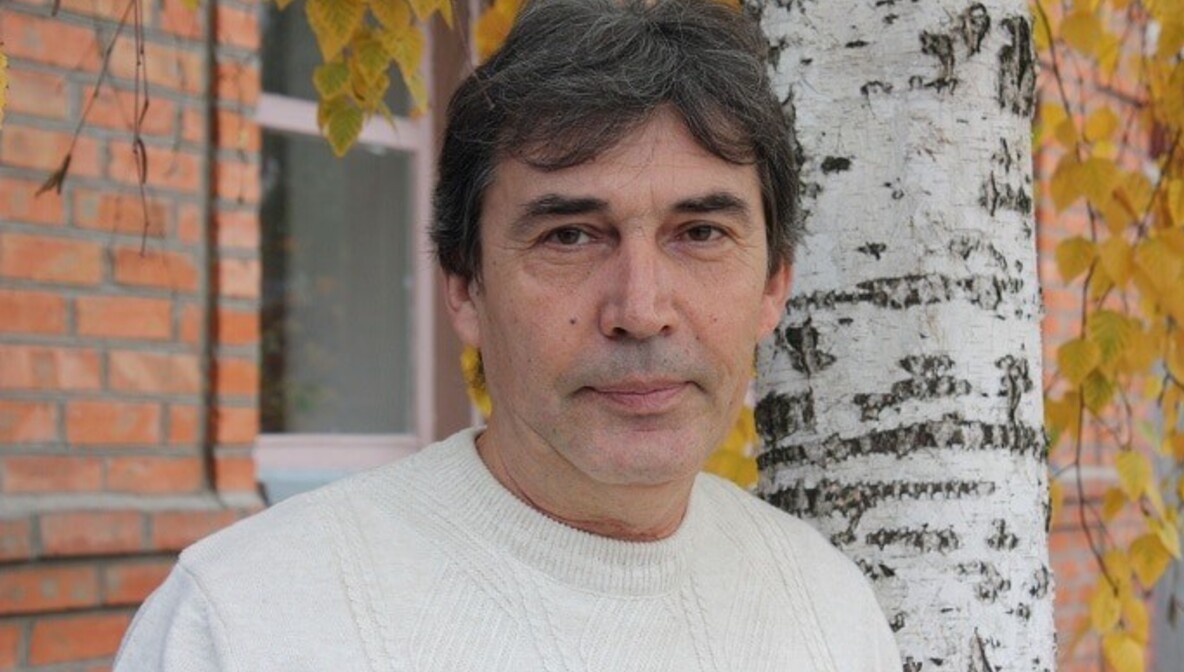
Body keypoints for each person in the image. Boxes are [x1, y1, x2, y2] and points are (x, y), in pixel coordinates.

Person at [115, 0, 902, 669]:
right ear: (465, 285)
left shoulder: (828, 611)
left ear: (773, 284)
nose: (640, 309)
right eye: (570, 236)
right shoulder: (245, 624)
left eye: (699, 233)